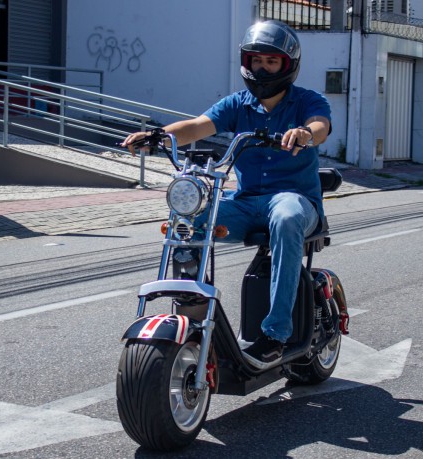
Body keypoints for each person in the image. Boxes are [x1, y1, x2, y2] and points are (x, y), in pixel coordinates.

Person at [122, 20, 332, 369]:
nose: (262, 68)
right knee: (190, 218)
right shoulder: (238, 104)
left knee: (286, 217)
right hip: (248, 201)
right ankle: (194, 311)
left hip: (294, 199)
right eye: (256, 60)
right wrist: (157, 135)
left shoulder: (308, 101)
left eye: (271, 61)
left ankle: (276, 335)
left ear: (288, 65)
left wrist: (305, 134)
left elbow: (319, 126)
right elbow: (196, 126)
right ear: (246, 62)